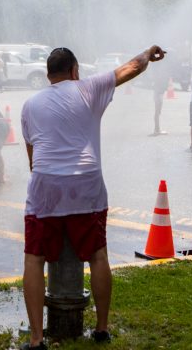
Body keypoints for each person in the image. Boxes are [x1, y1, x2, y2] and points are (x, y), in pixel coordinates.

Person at [20, 45, 165, 349]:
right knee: (98, 256)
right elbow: (132, 67)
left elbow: (33, 159)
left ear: (48, 75)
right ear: (74, 71)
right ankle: (101, 329)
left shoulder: (30, 105)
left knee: (34, 259)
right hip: (85, 184)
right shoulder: (88, 88)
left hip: (46, 185)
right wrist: (148, 53)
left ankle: (36, 339)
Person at [150, 60, 171, 136]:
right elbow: (160, 85)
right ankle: (157, 129)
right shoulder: (158, 75)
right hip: (158, 94)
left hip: (158, 94)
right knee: (157, 112)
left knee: (158, 112)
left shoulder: (157, 74)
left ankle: (157, 129)